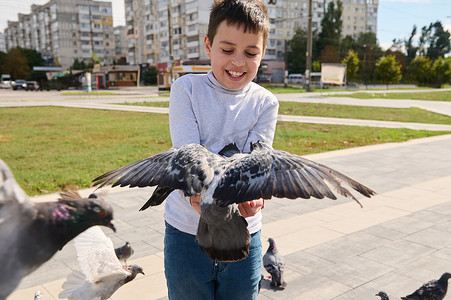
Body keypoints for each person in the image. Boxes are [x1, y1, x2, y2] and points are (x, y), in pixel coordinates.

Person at [164, 0, 278, 299]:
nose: (238, 62)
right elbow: (186, 156)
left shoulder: (266, 102)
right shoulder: (186, 89)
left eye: (251, 53)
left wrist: (254, 196)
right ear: (208, 45)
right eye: (227, 50)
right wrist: (196, 196)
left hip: (244, 231)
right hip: (186, 233)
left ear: (262, 53)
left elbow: (259, 163)